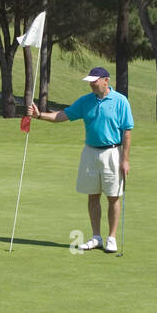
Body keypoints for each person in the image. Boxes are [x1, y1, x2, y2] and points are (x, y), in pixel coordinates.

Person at [27, 66, 133, 253]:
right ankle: (96, 237)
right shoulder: (85, 102)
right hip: (90, 152)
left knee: (113, 197)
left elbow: (127, 132)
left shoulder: (120, 101)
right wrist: (40, 115)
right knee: (92, 195)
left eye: (95, 80)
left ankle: (112, 238)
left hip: (112, 153)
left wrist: (125, 159)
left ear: (106, 80)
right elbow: (63, 115)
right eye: (90, 81)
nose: (91, 84)